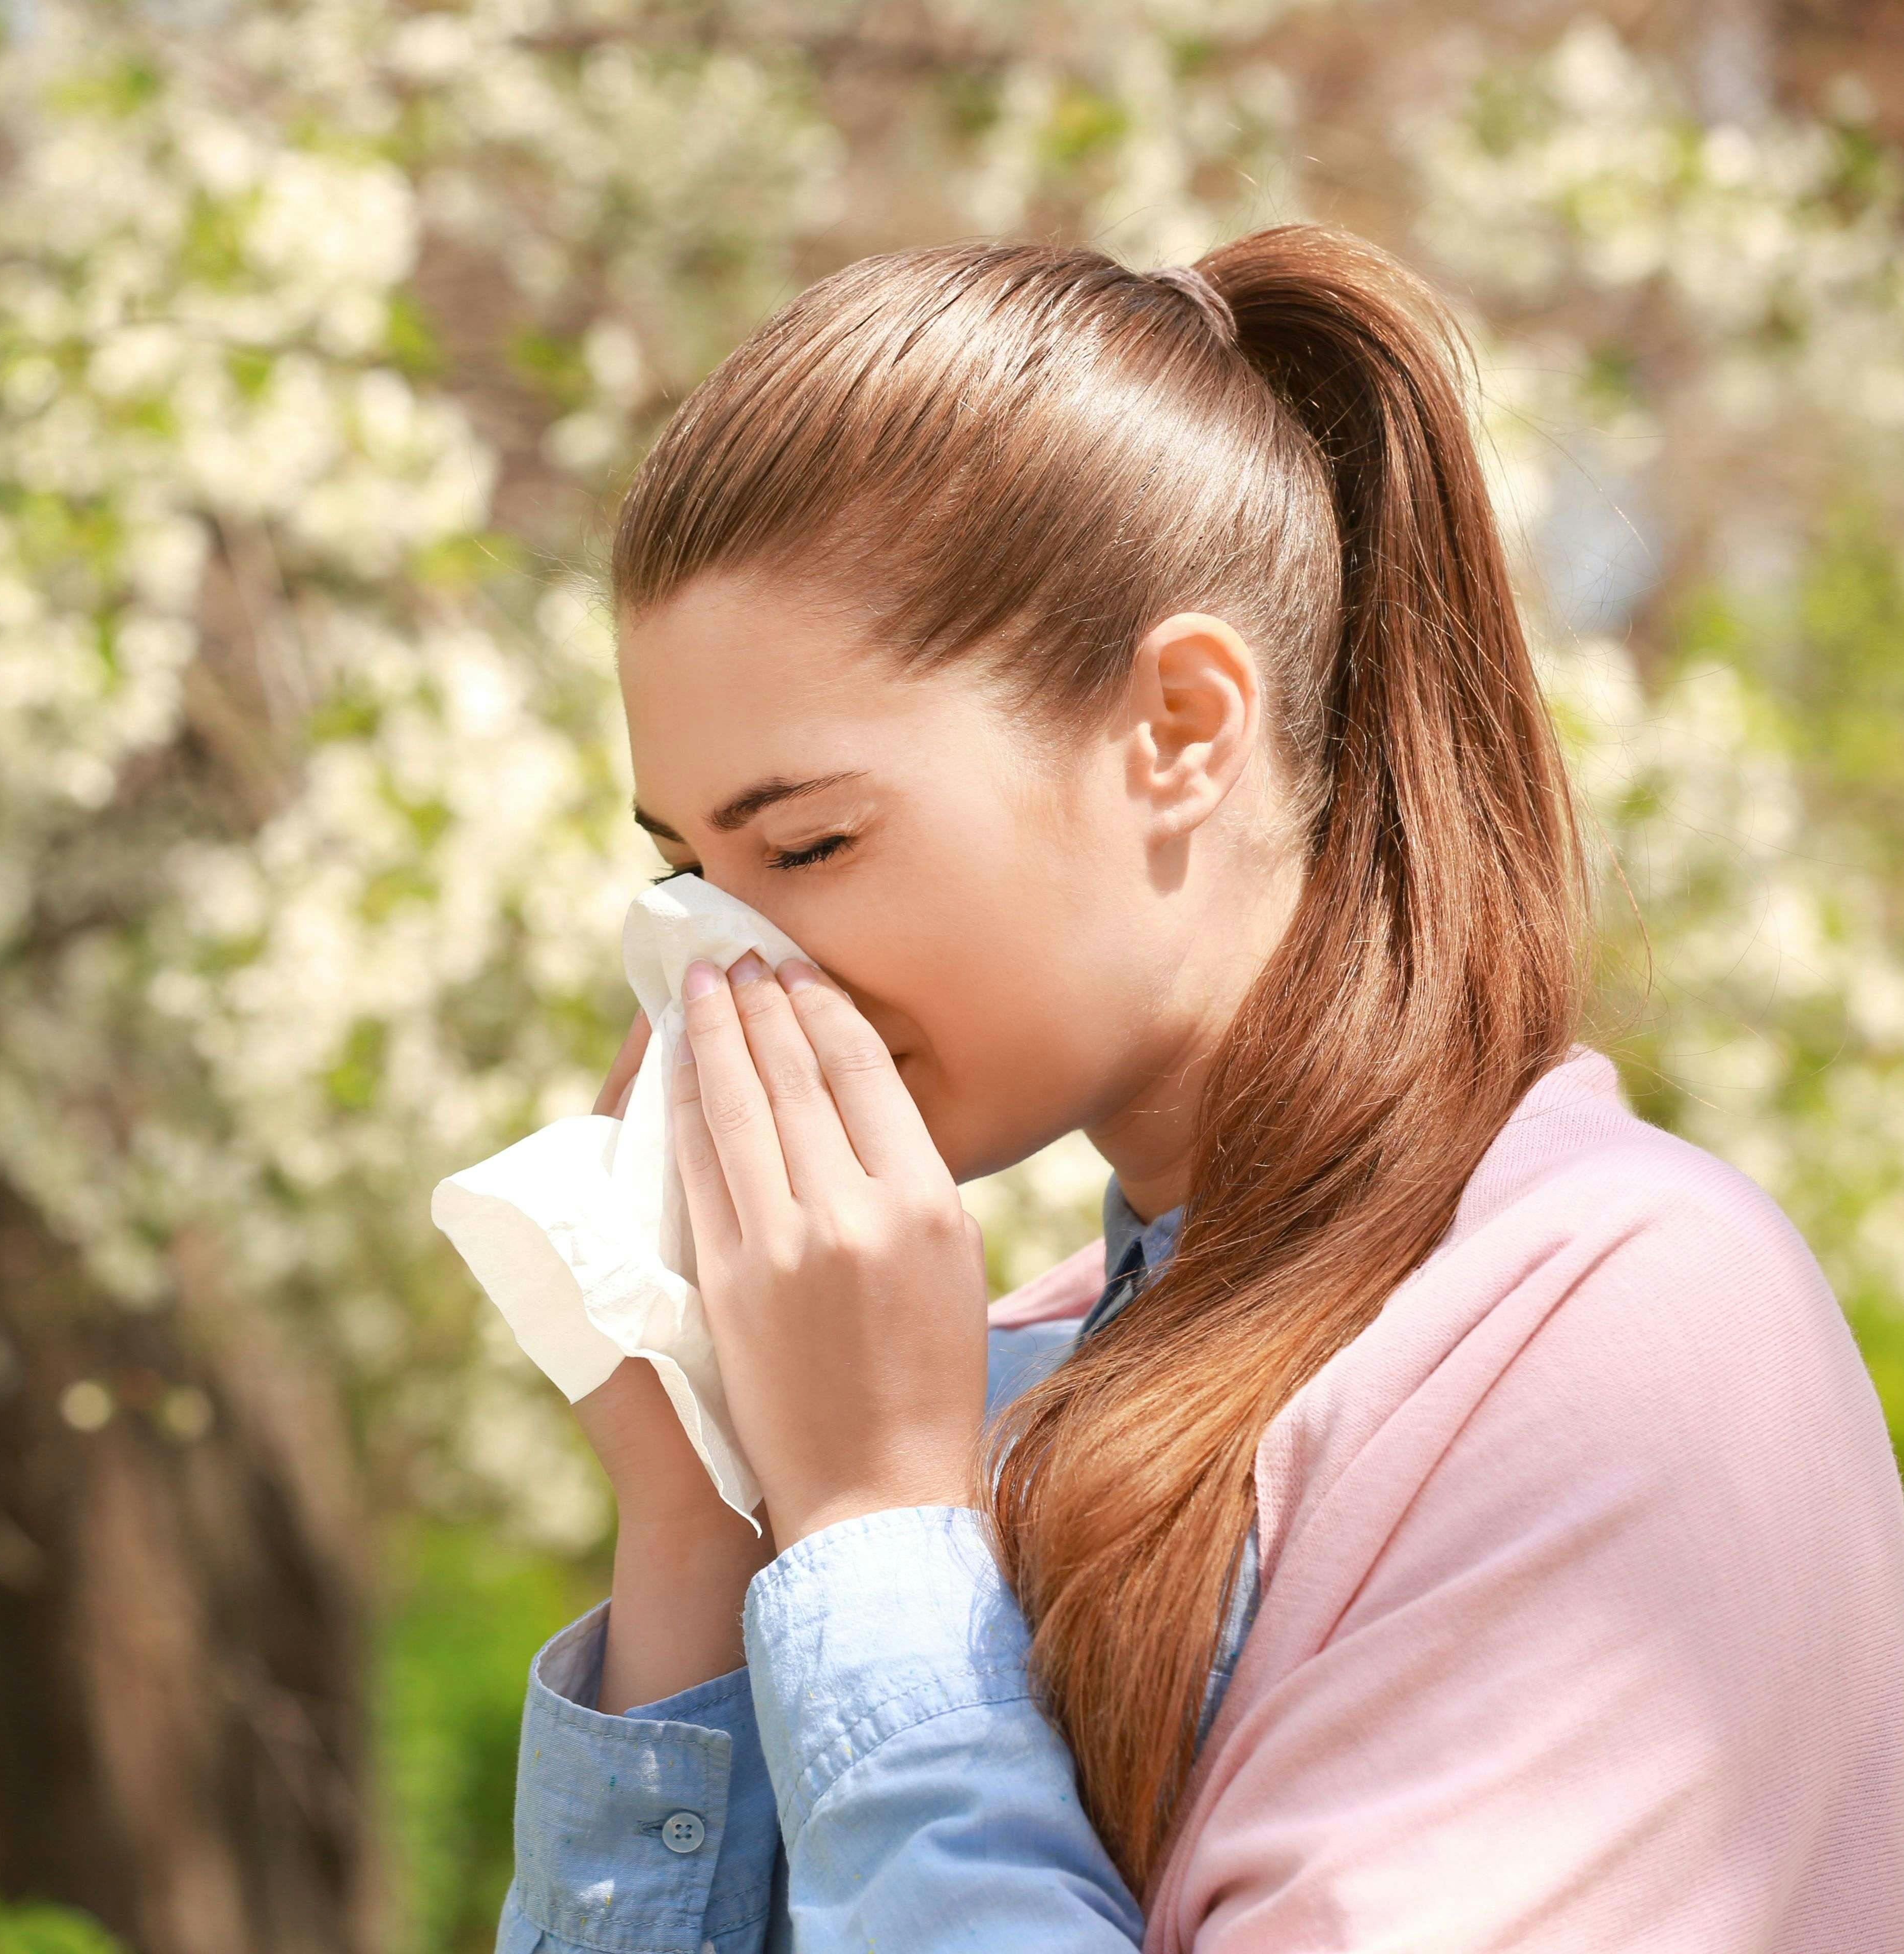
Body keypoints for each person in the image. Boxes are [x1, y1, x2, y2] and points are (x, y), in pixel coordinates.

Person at [494, 225, 1904, 1952]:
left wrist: (869, 1529)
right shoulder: (999, 1385)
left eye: (808, 843)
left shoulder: (1613, 1331)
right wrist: (705, 1511)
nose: (730, 965)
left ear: (1177, 725)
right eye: (688, 874)